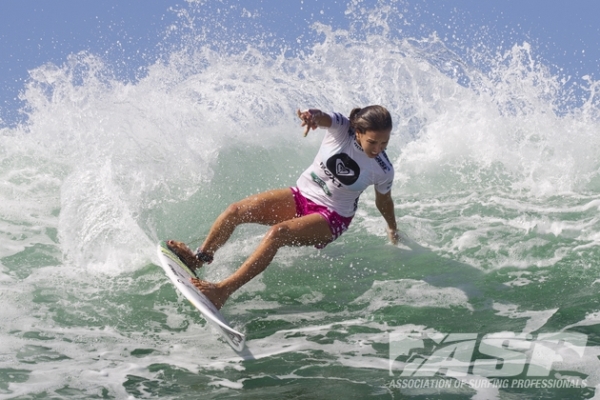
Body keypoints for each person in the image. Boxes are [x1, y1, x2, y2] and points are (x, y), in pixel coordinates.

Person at [168, 105, 399, 309]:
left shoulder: (383, 169)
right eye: (373, 142)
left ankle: (222, 291)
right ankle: (198, 259)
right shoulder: (342, 129)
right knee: (235, 211)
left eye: (384, 142)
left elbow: (384, 201)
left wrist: (391, 227)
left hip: (332, 217)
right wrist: (312, 116)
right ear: (358, 131)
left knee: (277, 233)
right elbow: (323, 117)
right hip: (300, 195)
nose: (379, 148)